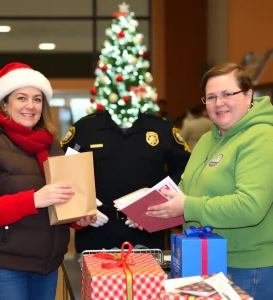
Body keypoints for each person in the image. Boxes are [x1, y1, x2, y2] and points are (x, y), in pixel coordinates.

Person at [143, 63, 273, 299]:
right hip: (200, 259)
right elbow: (185, 190)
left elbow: (250, 207)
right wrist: (152, 208)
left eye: (227, 94)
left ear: (248, 95)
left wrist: (187, 206)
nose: (218, 103)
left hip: (247, 267)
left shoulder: (262, 137)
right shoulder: (206, 139)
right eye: (211, 97)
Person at [0, 62, 96, 300]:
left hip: (45, 267)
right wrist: (34, 199)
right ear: (4, 103)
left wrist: (78, 216)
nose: (30, 106)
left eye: (37, 99)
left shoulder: (48, 142)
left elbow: (57, 200)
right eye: (21, 98)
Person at [61, 110, 190, 252]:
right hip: (94, 226)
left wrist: (160, 198)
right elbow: (64, 169)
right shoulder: (85, 128)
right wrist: (79, 204)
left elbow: (185, 169)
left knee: (148, 274)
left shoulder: (161, 128)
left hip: (148, 227)